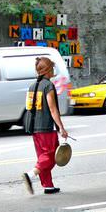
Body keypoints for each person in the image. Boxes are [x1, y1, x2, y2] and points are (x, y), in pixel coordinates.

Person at [22, 57, 68, 195]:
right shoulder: (48, 86)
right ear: (48, 70)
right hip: (46, 127)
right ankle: (31, 175)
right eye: (52, 67)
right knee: (51, 155)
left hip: (34, 127)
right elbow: (53, 109)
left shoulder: (32, 86)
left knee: (42, 155)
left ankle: (48, 185)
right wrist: (61, 127)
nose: (53, 70)